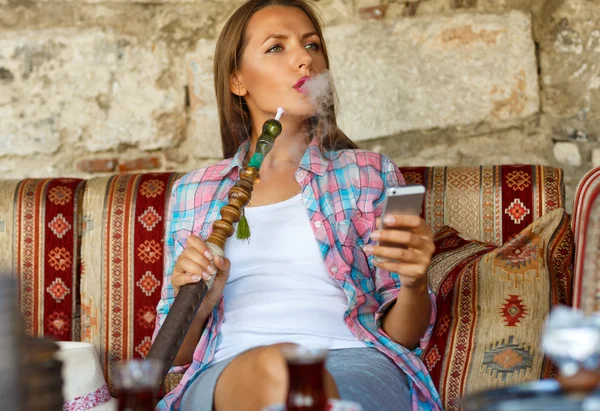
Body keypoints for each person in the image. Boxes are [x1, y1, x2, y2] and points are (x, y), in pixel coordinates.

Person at [152, 0, 443, 410]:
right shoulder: (195, 193)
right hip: (227, 370)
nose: (304, 59)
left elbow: (404, 335)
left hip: (354, 363)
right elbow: (175, 355)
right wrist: (201, 301)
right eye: (277, 48)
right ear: (238, 80)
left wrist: (414, 282)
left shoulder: (369, 173)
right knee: (274, 368)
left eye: (312, 45)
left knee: (291, 377)